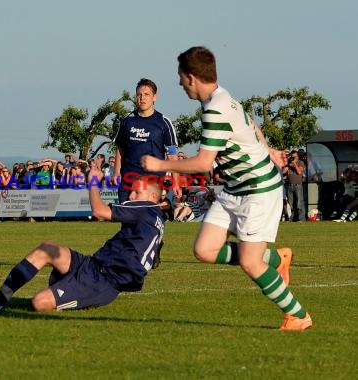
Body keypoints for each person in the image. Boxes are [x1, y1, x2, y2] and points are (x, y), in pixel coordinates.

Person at [141, 46, 312, 330]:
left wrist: (159, 165)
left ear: (192, 77)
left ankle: (298, 315)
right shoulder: (220, 97)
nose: (180, 84)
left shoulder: (215, 108)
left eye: (181, 77)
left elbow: (203, 163)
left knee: (250, 263)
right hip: (235, 188)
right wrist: (266, 147)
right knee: (205, 250)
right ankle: (277, 257)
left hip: (258, 189)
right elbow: (250, 121)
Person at [0, 163, 165, 313]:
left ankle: (80, 295)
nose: (131, 195)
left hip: (103, 283)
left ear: (152, 197)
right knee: (47, 248)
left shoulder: (146, 208)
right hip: (92, 265)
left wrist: (93, 182)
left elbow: (99, 211)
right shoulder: (155, 218)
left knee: (39, 303)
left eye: (137, 192)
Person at [112, 78, 181, 204]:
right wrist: (117, 172)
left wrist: (176, 182)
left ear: (154, 97)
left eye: (146, 94)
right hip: (128, 180)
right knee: (127, 220)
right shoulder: (126, 120)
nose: (142, 98)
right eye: (139, 94)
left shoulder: (164, 122)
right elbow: (120, 149)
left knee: (148, 221)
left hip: (153, 182)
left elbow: (172, 155)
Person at [283, 150, 306, 221]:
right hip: (289, 185)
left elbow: (299, 172)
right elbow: (283, 171)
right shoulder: (289, 163)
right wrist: (287, 163)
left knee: (299, 203)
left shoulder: (300, 162)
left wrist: (294, 164)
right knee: (291, 204)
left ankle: (301, 219)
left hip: (298, 185)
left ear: (297, 156)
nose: (292, 158)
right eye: (292, 156)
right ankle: (292, 218)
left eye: (294, 156)